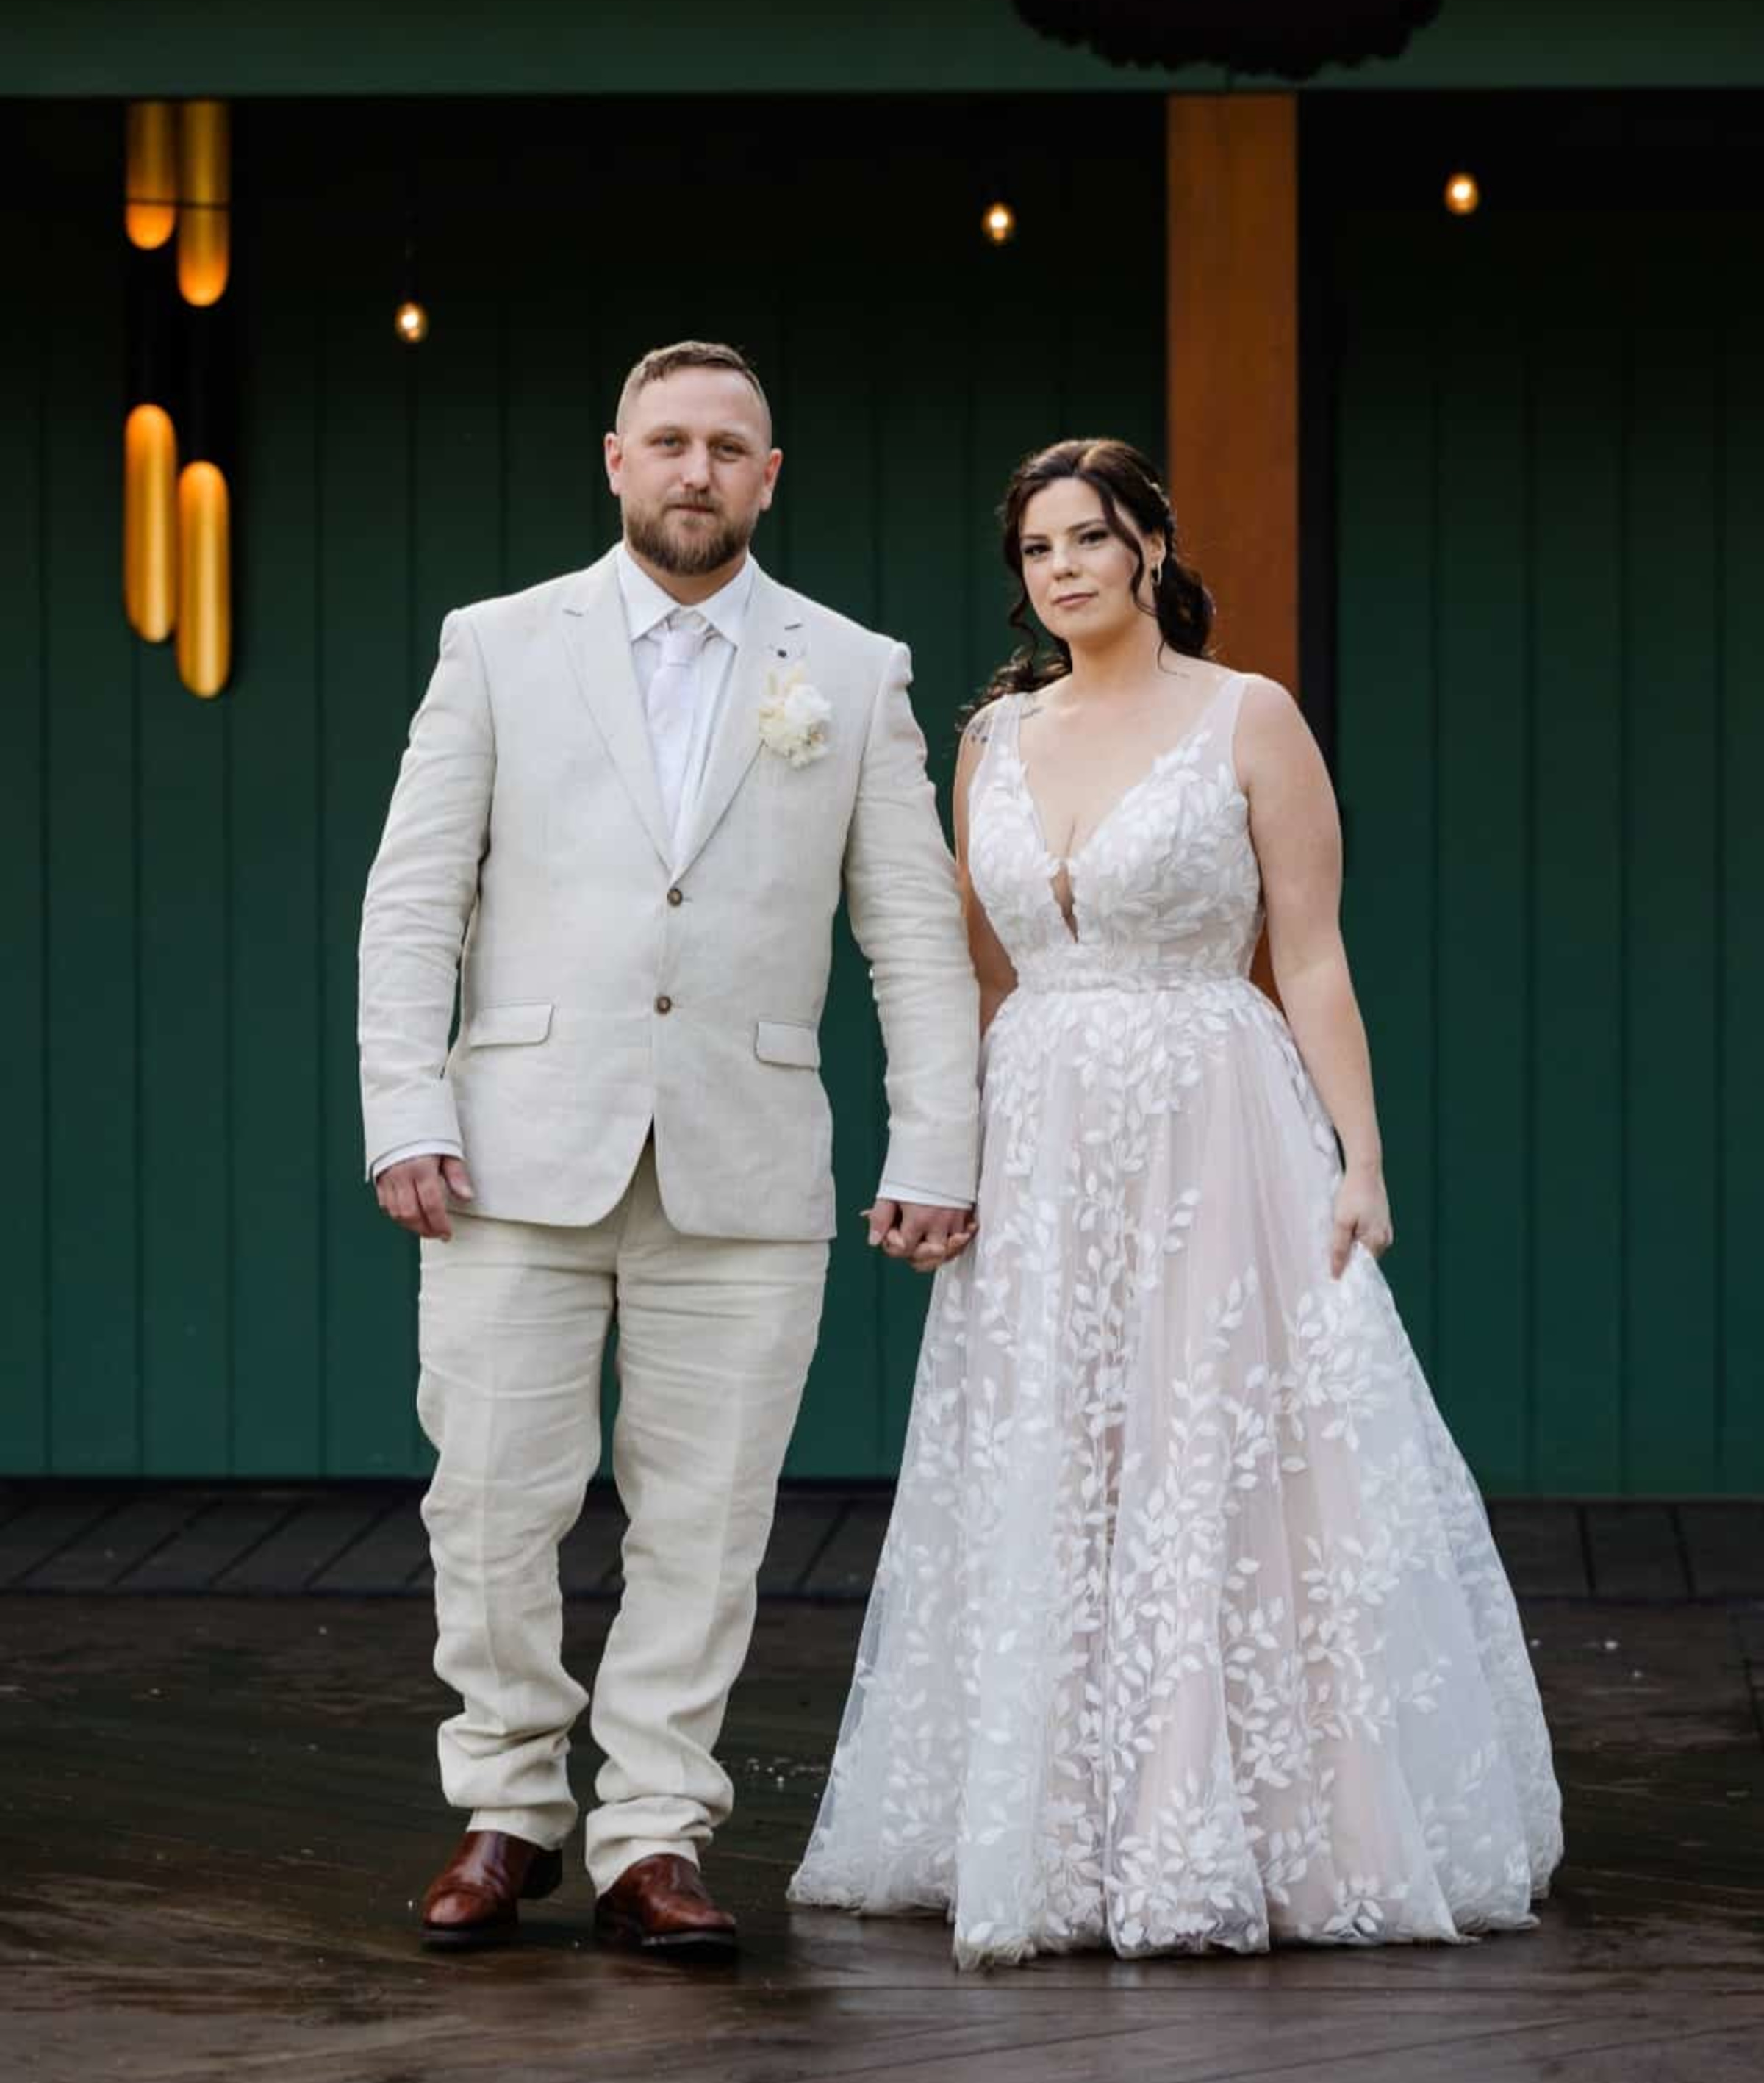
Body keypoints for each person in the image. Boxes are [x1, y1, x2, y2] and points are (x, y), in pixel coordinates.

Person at [790, 436, 1564, 1966]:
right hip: (1039, 1124)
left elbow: (1314, 953)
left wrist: (1364, 1155)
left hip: (1217, 1120)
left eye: (1091, 536)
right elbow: (976, 970)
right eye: (1036, 549)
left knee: (1221, 1445)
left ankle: (1237, 1820)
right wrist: (938, 1150)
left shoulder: (1247, 717)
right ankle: (1055, 1825)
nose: (1064, 568)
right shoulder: (993, 738)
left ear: (1151, 544)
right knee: (1057, 1456)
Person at [358, 340, 980, 1957]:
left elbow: (913, 934)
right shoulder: (495, 646)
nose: (696, 469)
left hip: (748, 1153)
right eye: (669, 442)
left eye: (729, 446)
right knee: (488, 1501)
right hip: (511, 1148)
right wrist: (406, 1107)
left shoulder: (850, 668)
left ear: (769, 477)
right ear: (617, 462)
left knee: (707, 1518)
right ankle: (506, 1806)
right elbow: (415, 899)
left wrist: (938, 1138)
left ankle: (653, 1830)